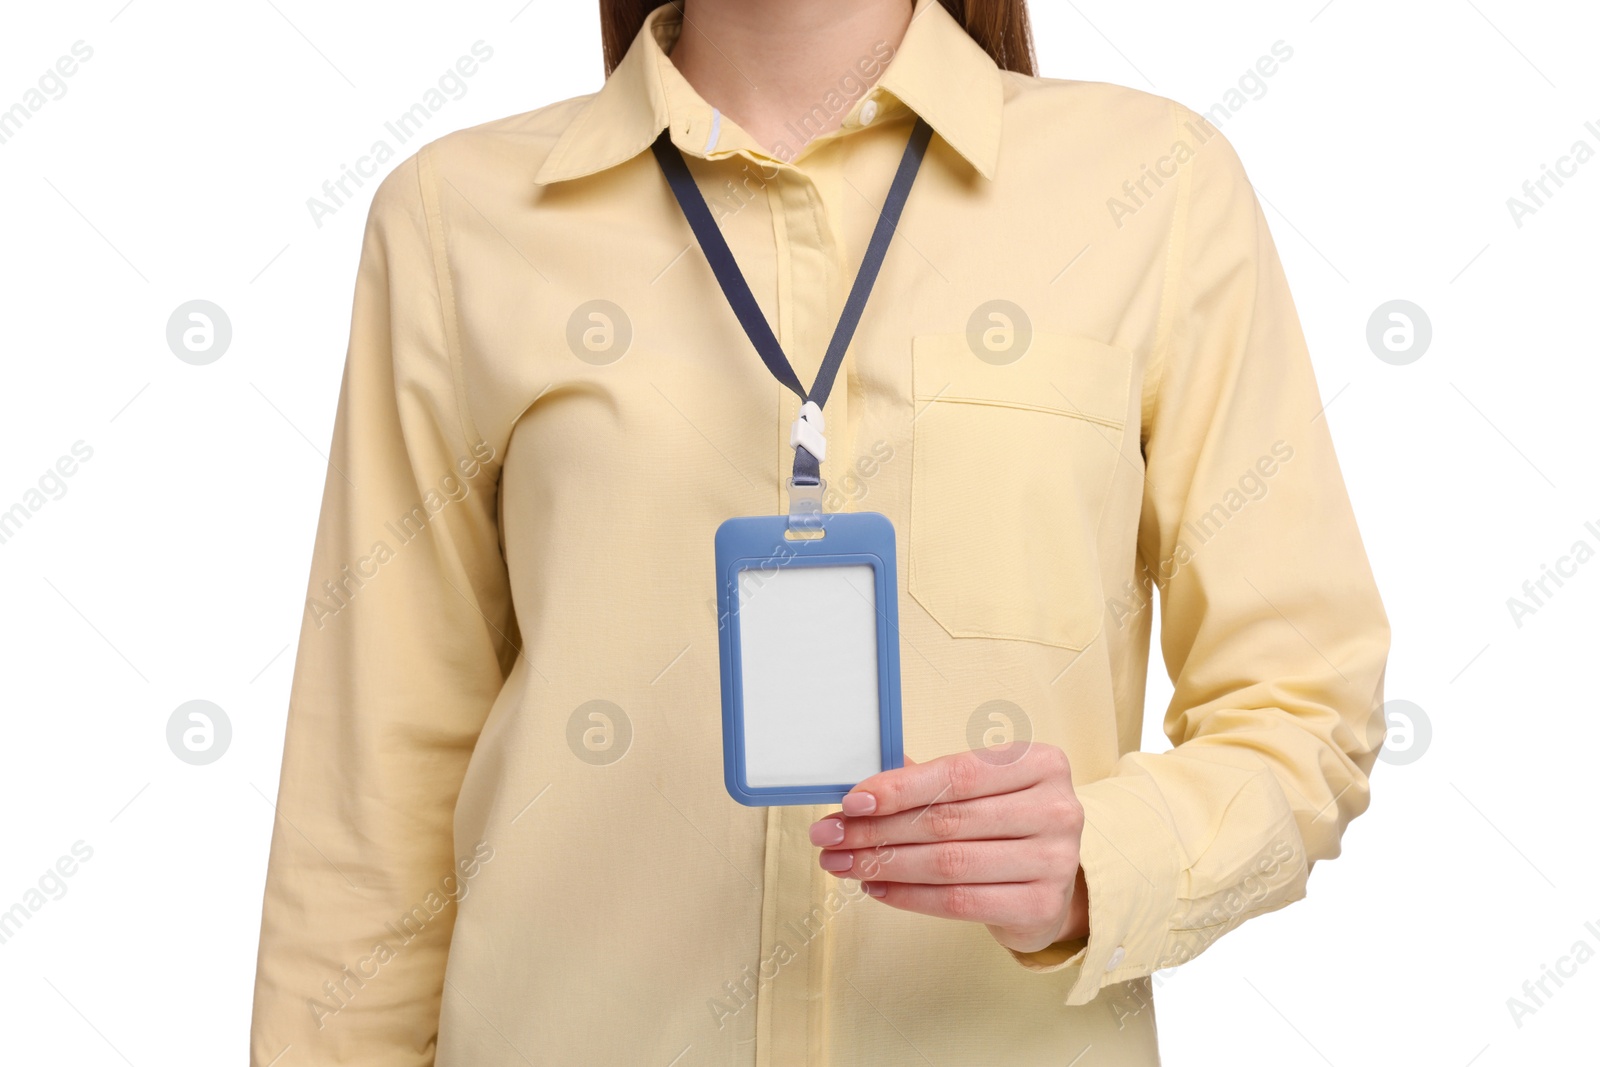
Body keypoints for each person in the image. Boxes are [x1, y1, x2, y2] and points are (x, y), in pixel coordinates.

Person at [248, 0, 1391, 1063]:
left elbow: (1303, 704)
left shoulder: (1153, 185)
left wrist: (1103, 862)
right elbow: (368, 805)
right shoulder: (457, 216)